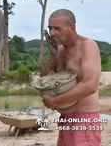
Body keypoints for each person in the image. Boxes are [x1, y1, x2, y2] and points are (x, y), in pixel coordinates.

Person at [40, 9, 101, 146]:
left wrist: (54, 101)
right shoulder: (59, 50)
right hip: (65, 119)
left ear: (72, 27)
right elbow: (44, 80)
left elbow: (90, 85)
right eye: (50, 28)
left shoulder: (87, 46)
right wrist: (52, 55)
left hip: (84, 120)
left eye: (57, 28)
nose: (52, 33)